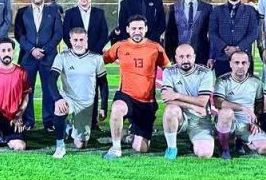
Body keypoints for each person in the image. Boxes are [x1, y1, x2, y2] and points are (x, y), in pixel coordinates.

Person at [102, 15, 169, 159]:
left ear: (146, 29)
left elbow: (168, 69)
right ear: (127, 29)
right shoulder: (120, 46)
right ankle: (116, 147)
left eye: (140, 28)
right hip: (126, 95)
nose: (137, 31)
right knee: (117, 108)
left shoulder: (156, 48)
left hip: (147, 102)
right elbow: (102, 61)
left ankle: (127, 136)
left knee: (141, 148)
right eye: (133, 28)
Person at [49, 27, 109, 159]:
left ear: (86, 40)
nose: (78, 43)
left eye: (81, 40)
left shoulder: (96, 58)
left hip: (86, 103)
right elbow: (51, 79)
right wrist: (58, 99)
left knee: (81, 144)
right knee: (59, 109)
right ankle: (60, 146)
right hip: (68, 98)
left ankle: (69, 128)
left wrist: (103, 106)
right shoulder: (62, 57)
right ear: (70, 40)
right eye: (75, 40)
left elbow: (103, 84)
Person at [61, 0, 110, 133]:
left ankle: (93, 122)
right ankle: (74, 120)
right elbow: (66, 34)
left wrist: (93, 52)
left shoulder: (99, 13)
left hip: (93, 56)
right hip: (75, 57)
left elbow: (104, 33)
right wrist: (78, 50)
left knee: (93, 88)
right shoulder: (70, 13)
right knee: (75, 88)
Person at [13, 0, 63, 131]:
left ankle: (49, 121)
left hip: (48, 57)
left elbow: (58, 34)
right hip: (28, 57)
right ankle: (28, 121)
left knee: (49, 89)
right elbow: (19, 34)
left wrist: (45, 50)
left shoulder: (53, 12)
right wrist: (32, 49)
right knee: (27, 90)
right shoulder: (22, 12)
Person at [159, 43, 216, 160]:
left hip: (200, 119)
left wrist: (177, 95)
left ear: (194, 57)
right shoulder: (169, 72)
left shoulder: (205, 73)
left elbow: (202, 102)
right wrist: (193, 106)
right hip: (181, 115)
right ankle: (171, 148)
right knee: (171, 110)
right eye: (181, 57)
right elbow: (167, 99)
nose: (185, 60)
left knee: (205, 154)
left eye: (188, 56)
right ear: (176, 58)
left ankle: (196, 141)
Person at [213, 50, 266, 159]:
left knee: (265, 148)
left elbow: (259, 104)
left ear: (249, 64)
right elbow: (218, 102)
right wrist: (242, 107)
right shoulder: (222, 80)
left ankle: (241, 141)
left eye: (244, 63)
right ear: (230, 64)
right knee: (226, 113)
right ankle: (224, 149)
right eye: (237, 62)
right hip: (228, 121)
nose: (240, 66)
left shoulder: (256, 82)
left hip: (246, 124)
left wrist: (256, 122)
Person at [0, 38, 32, 151]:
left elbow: (26, 95)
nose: (6, 53)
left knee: (20, 147)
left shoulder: (21, 72)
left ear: (13, 52)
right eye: (3, 50)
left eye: (9, 50)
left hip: (12, 117)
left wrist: (19, 115)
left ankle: (4, 136)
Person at [208, 0, 259, 77]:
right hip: (222, 58)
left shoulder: (250, 10)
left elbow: (253, 33)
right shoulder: (217, 11)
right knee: (222, 86)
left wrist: (238, 48)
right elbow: (212, 33)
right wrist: (225, 48)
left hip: (244, 59)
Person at [164, 0, 212, 64]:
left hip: (201, 56)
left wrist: (211, 56)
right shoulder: (173, 8)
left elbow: (212, 34)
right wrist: (168, 57)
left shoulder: (207, 8)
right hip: (179, 56)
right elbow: (168, 35)